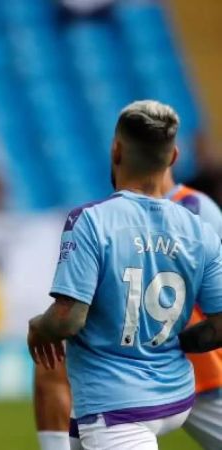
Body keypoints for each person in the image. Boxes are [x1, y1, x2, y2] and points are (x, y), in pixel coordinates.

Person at [27, 100, 222, 450]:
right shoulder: (198, 225)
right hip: (176, 385)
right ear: (174, 156)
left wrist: (38, 327)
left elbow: (67, 320)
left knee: (51, 362)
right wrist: (182, 343)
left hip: (120, 404)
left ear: (116, 150)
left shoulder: (94, 220)